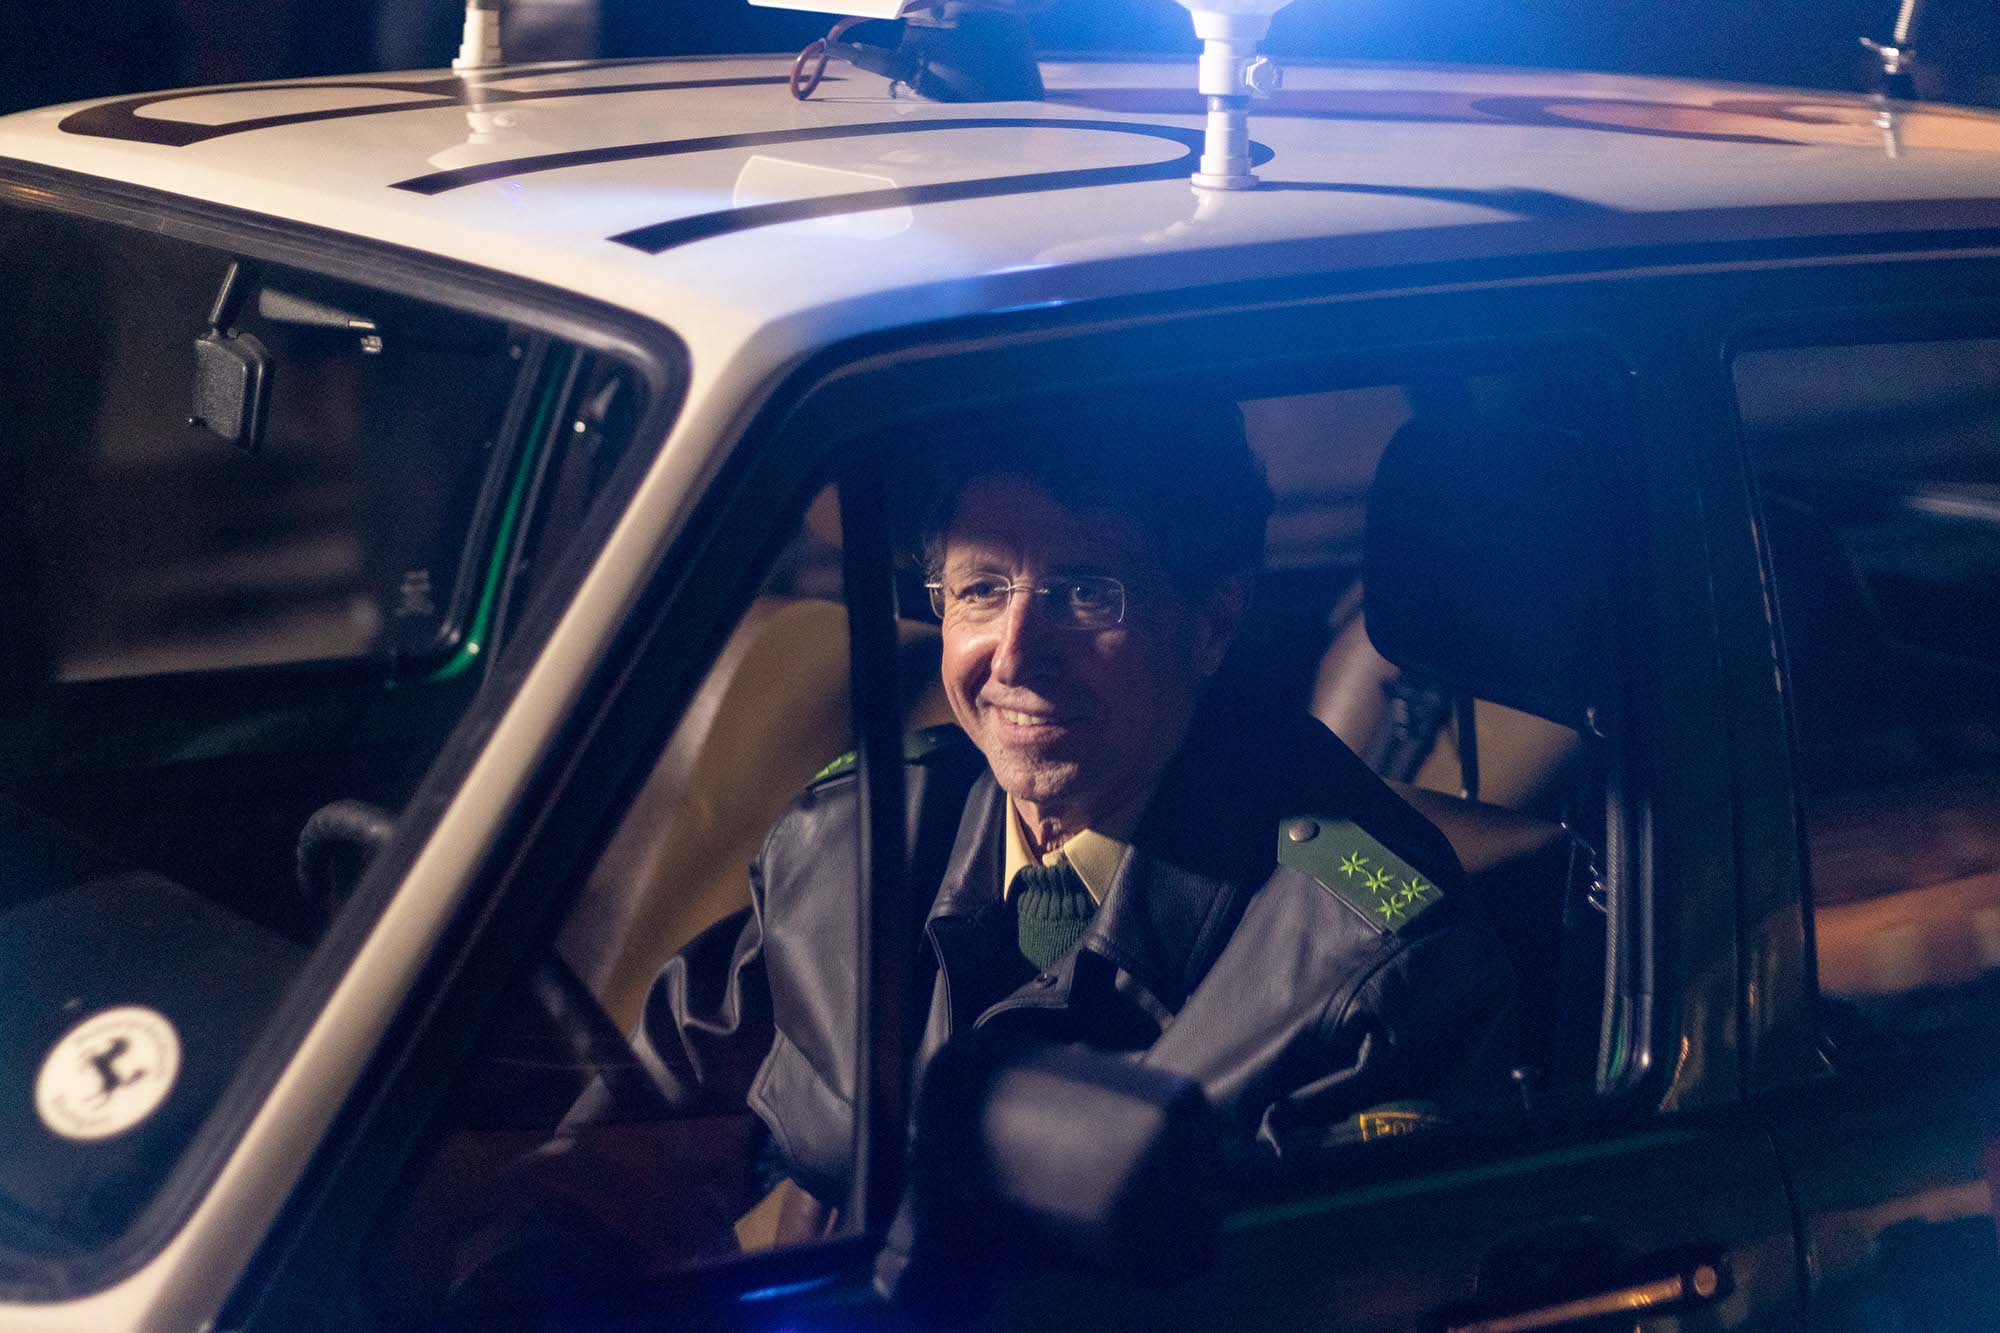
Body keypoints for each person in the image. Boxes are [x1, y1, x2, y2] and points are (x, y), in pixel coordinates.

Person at [637, 391, 1518, 1222]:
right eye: (982, 588)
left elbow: (1326, 1289)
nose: (1016, 654)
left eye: (1086, 592)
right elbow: (627, 1146)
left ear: (1212, 623)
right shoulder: (849, 842)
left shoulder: (1368, 968)